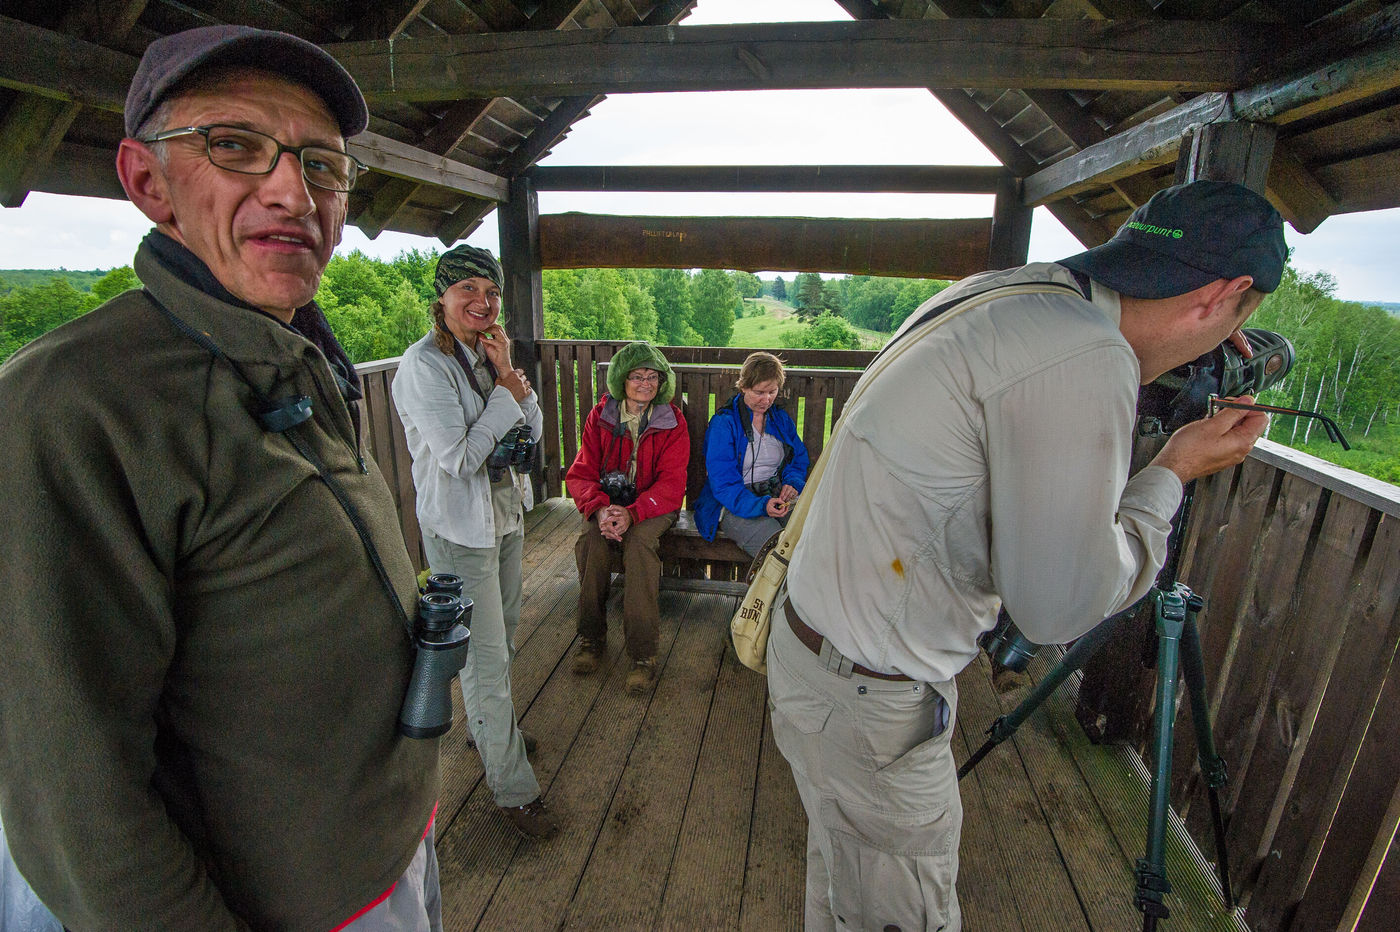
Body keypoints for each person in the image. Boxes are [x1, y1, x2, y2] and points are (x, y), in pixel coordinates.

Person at [0, 26, 441, 931]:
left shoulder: (291, 355)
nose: (292, 189)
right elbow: (73, 798)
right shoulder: (72, 407)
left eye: (323, 165)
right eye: (234, 145)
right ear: (147, 182)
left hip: (381, 855)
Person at [769, 180, 1285, 932]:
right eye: (1237, 317)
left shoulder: (1012, 293)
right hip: (869, 705)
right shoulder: (1087, 355)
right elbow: (1057, 609)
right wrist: (1171, 470)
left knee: (847, 886)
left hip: (816, 658)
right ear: (1224, 293)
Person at [391, 244, 559, 840]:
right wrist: (503, 399)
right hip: (461, 529)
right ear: (441, 298)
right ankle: (513, 789)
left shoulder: (488, 356)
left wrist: (510, 374)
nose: (482, 302)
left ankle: (493, 728)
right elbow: (460, 458)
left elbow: (533, 429)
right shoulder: (423, 366)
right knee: (487, 658)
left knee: (502, 637)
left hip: (505, 516)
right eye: (467, 290)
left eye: (490, 292)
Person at [565, 342, 690, 694]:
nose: (646, 383)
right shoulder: (601, 416)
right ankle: (591, 638)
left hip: (652, 506)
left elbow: (672, 483)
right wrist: (601, 509)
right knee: (592, 542)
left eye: (653, 376)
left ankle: (642, 655)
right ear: (622, 379)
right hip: (609, 503)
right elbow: (581, 472)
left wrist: (633, 513)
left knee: (638, 546)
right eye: (637, 375)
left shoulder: (672, 421)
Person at [693, 351, 810, 556]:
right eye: (759, 392)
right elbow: (723, 484)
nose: (766, 400)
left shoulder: (779, 419)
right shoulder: (724, 423)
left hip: (774, 497)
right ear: (744, 386)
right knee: (778, 551)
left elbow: (797, 458)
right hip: (732, 504)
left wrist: (792, 482)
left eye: (772, 392)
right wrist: (762, 505)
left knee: (812, 535)